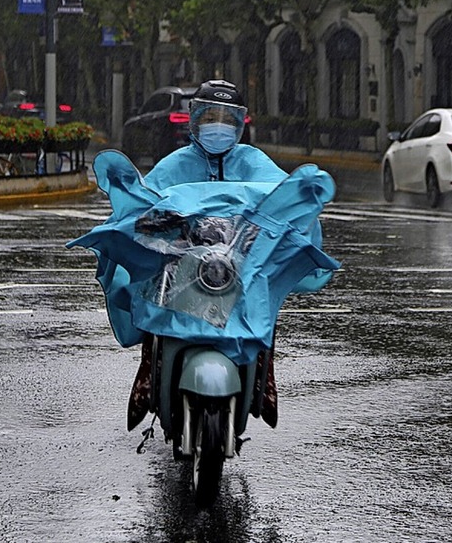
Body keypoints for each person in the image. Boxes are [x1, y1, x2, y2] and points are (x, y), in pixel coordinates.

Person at [127, 79, 329, 431]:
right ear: (195, 119)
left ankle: (266, 375)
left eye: (227, 118)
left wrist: (298, 205)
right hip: (184, 260)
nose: (218, 126)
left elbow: (283, 196)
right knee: (150, 288)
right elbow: (144, 202)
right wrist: (150, 220)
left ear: (240, 123)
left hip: (236, 262)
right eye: (210, 116)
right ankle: (147, 368)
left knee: (265, 298)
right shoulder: (174, 164)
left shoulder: (254, 161)